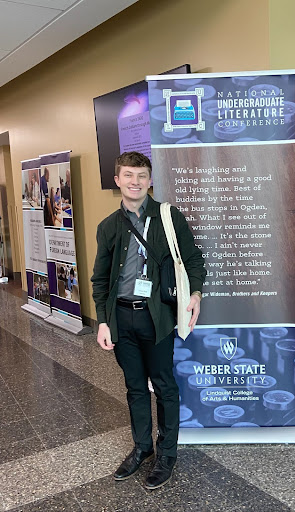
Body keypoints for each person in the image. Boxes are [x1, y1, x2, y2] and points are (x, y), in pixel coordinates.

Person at [91, 151, 206, 490]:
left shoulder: (169, 217)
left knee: (164, 384)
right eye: (128, 175)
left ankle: (166, 453)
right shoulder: (109, 227)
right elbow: (100, 280)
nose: (135, 182)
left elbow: (194, 260)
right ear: (118, 180)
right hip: (121, 318)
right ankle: (142, 447)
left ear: (150, 180)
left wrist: (196, 295)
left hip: (157, 318)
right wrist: (102, 321)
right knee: (135, 387)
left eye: (141, 176)